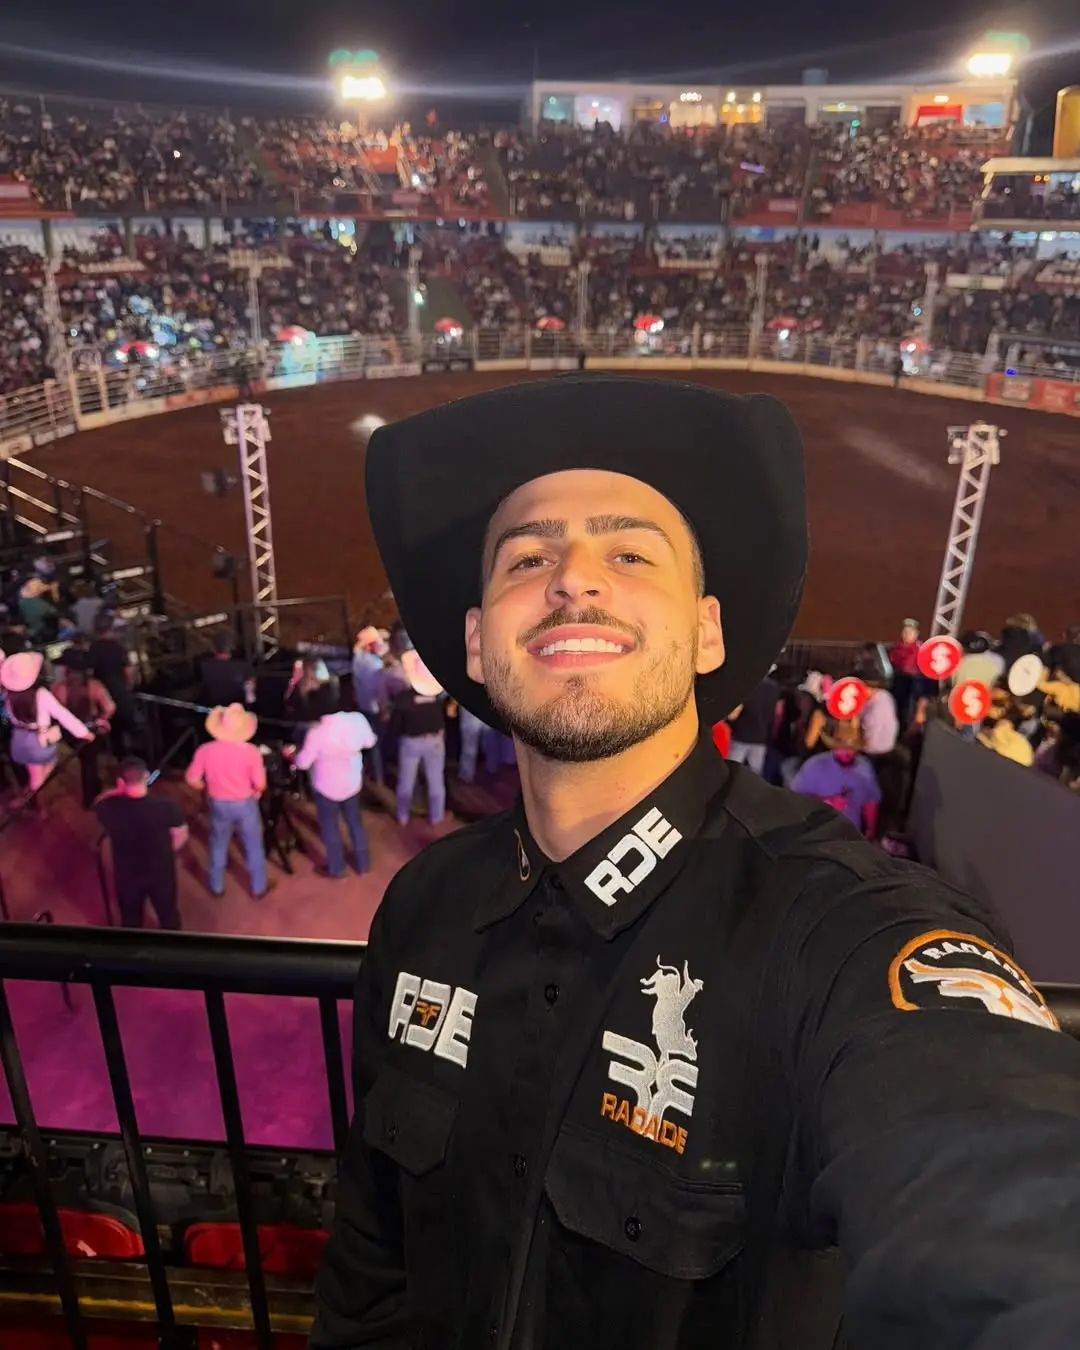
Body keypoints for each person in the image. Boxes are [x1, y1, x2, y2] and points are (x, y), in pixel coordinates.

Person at [312, 375, 1080, 1350]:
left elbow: (1005, 1181)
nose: (573, 579)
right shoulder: (423, 906)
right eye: (527, 558)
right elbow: (370, 1264)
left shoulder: (836, 930)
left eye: (629, 553)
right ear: (475, 641)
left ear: (707, 631)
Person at [184, 703, 272, 899]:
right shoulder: (251, 752)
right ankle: (258, 887)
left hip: (218, 801)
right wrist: (256, 791)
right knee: (253, 845)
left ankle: (216, 886)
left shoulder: (205, 750)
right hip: (245, 803)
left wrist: (207, 787)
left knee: (218, 842)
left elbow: (191, 778)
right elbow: (261, 783)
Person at [292, 684, 376, 877]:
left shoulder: (316, 732)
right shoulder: (357, 719)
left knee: (330, 828)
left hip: (326, 786)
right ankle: (363, 864)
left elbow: (303, 763)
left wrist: (294, 756)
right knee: (355, 823)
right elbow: (370, 742)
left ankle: (337, 869)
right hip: (352, 782)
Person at [95, 758, 188, 929]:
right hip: (160, 871)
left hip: (127, 873)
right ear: (146, 775)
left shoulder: (108, 808)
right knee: (168, 914)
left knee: (130, 918)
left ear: (120, 782)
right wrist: (167, 852)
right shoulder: (167, 806)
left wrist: (119, 789)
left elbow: (99, 800)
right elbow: (181, 835)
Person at [0, 650, 94, 800]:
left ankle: (32, 798)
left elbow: (7, 716)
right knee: (45, 771)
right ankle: (32, 798)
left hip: (19, 739)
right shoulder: (41, 694)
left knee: (34, 774)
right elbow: (63, 715)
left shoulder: (9, 696)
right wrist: (84, 733)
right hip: (39, 741)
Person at [387, 639, 448, 827]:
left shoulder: (403, 699)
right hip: (435, 741)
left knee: (406, 781)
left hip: (411, 742)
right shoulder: (437, 697)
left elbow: (395, 725)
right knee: (436, 781)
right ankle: (436, 818)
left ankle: (403, 816)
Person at [790, 718, 881, 835]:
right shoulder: (815, 766)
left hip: (851, 835)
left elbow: (871, 801)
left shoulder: (865, 767)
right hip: (818, 834)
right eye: (842, 747)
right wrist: (827, 802)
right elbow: (795, 800)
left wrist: (870, 830)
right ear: (833, 746)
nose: (847, 752)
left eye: (851, 747)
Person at [52, 663, 115, 808]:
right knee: (89, 762)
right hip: (90, 729)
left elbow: (55, 713)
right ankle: (91, 798)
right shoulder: (94, 685)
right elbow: (110, 707)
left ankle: (93, 792)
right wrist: (102, 718)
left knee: (87, 760)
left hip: (69, 731)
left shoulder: (58, 688)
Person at [725, 670, 779, 775]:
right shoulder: (774, 687)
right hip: (760, 739)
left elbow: (733, 715)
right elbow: (776, 714)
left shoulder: (746, 687)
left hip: (741, 737)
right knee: (756, 775)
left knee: (730, 773)